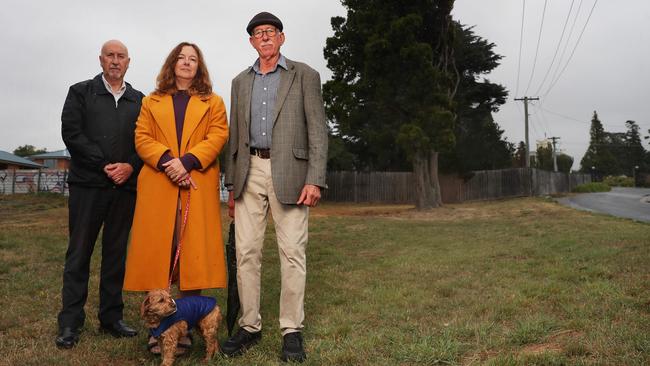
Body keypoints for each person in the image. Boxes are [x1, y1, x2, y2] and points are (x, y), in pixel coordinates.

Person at [222, 11, 328, 363]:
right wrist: (231, 185)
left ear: (281, 38)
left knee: (292, 254)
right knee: (246, 253)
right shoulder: (240, 82)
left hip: (292, 175)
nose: (264, 37)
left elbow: (318, 130)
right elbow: (235, 137)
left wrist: (315, 178)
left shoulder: (305, 75)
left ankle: (291, 329)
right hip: (248, 171)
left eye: (270, 32)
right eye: (257, 33)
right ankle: (249, 325)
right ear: (251, 42)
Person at [123, 42, 229, 354]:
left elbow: (218, 135)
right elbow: (142, 138)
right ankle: (158, 329)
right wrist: (171, 162)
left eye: (192, 59)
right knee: (159, 253)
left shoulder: (214, 102)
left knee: (191, 256)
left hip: (196, 181)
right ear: (172, 64)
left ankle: (183, 329)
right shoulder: (151, 101)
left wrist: (188, 163)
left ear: (199, 66)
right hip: (159, 182)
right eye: (181, 58)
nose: (186, 63)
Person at [57, 40, 144, 349]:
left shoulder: (139, 100)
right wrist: (106, 164)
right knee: (79, 254)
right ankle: (70, 322)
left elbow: (145, 142)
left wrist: (130, 168)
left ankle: (111, 318)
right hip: (88, 186)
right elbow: (72, 134)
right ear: (101, 59)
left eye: (121, 56)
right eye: (110, 55)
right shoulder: (80, 92)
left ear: (128, 62)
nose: (115, 61)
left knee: (116, 255)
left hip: (125, 189)